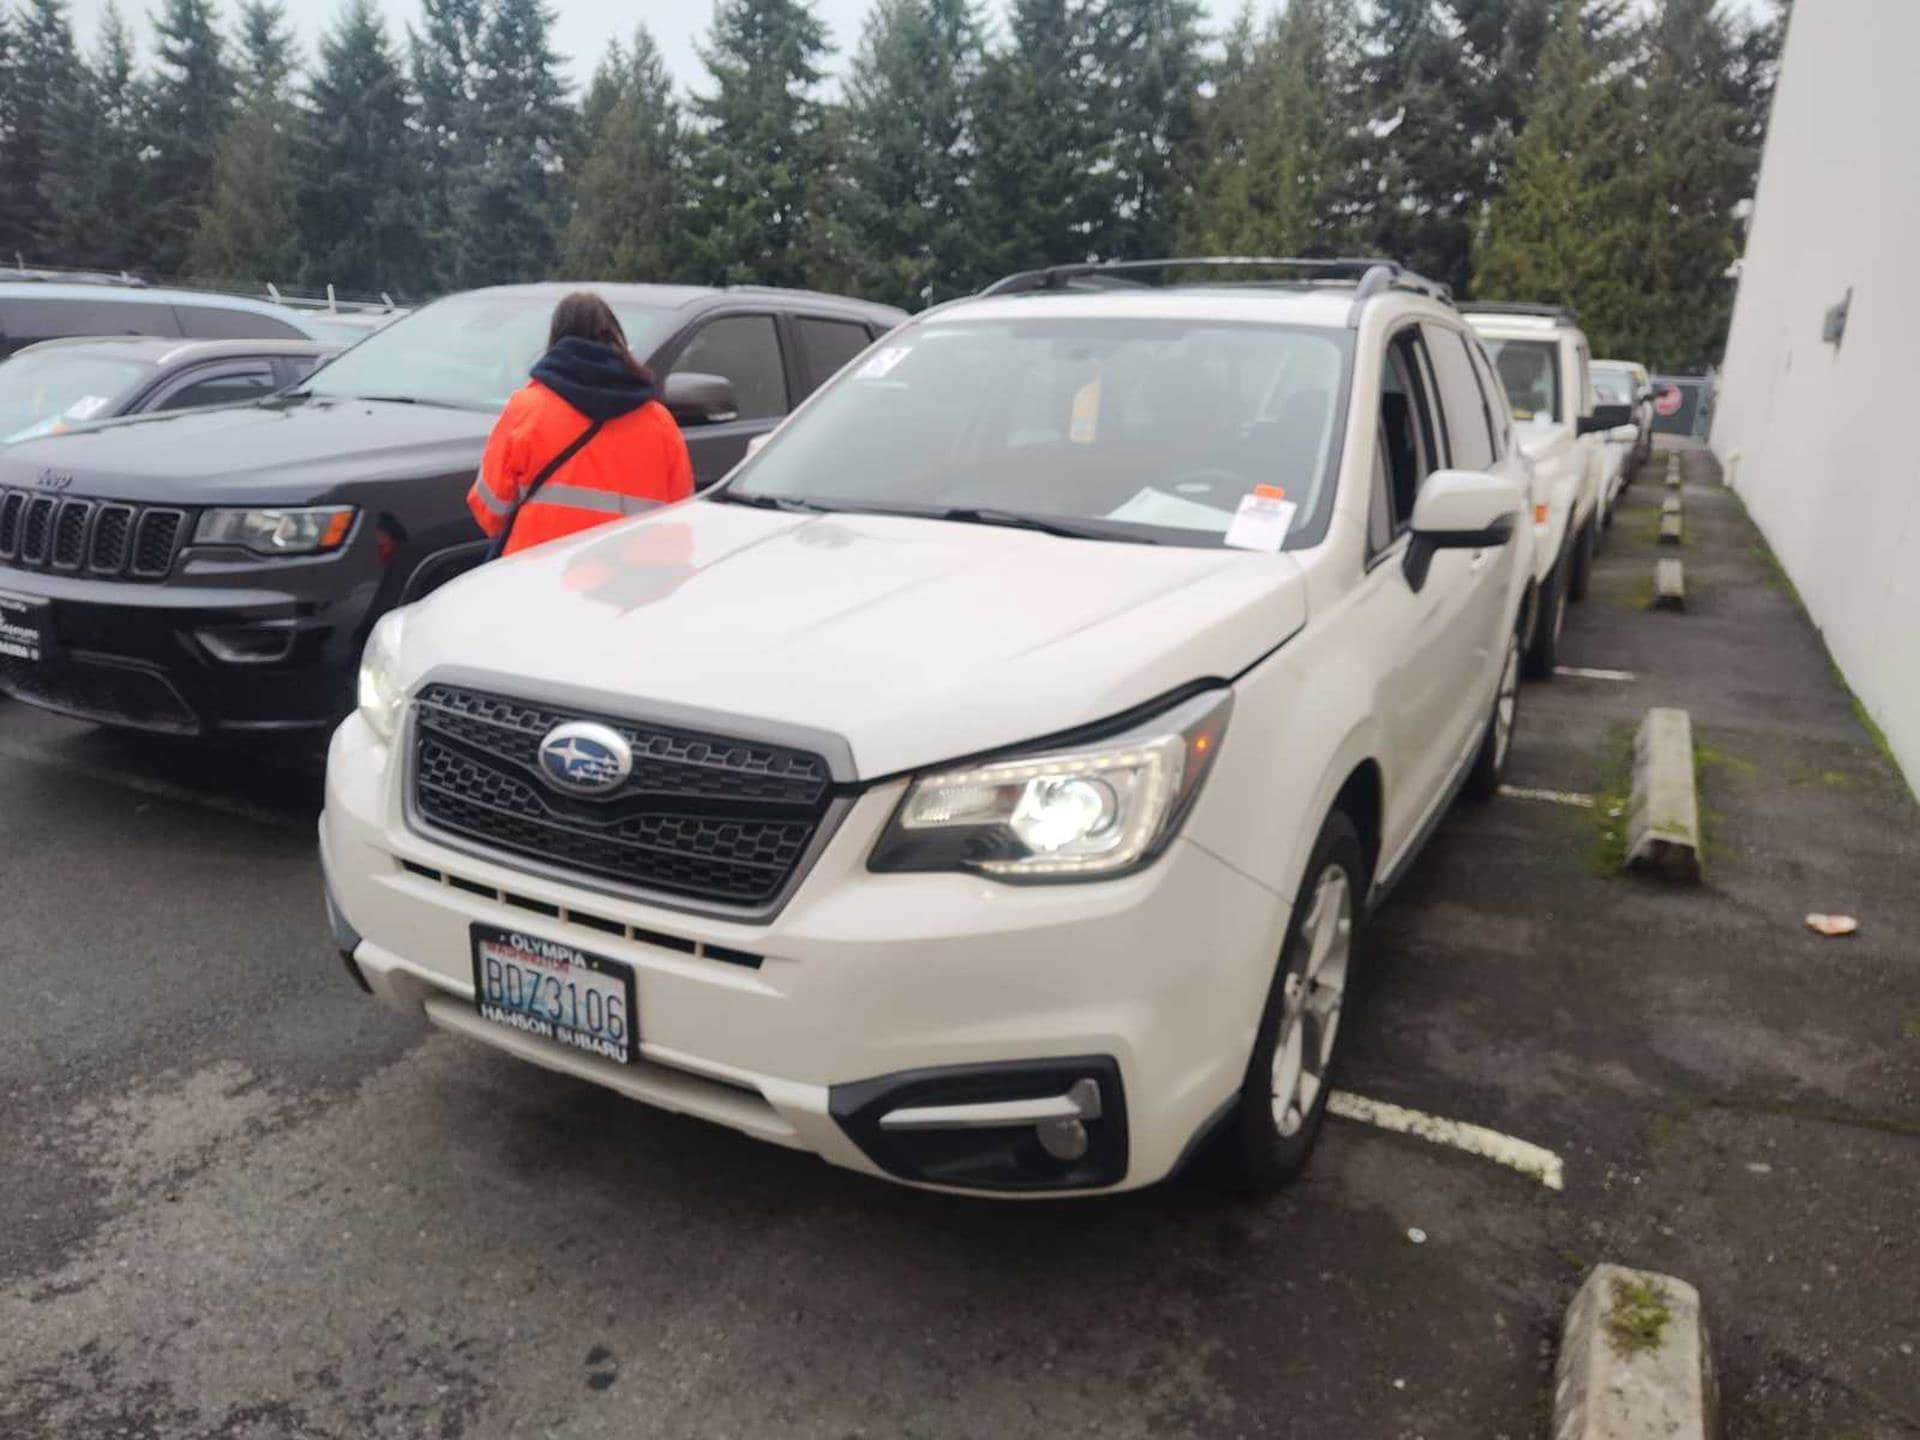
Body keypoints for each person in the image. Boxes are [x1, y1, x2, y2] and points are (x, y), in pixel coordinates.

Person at [468, 292, 693, 558]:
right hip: (630, 582)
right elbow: (681, 517)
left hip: (535, 574)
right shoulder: (659, 422)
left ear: (556, 339)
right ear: (616, 338)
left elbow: (489, 512)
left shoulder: (526, 409)